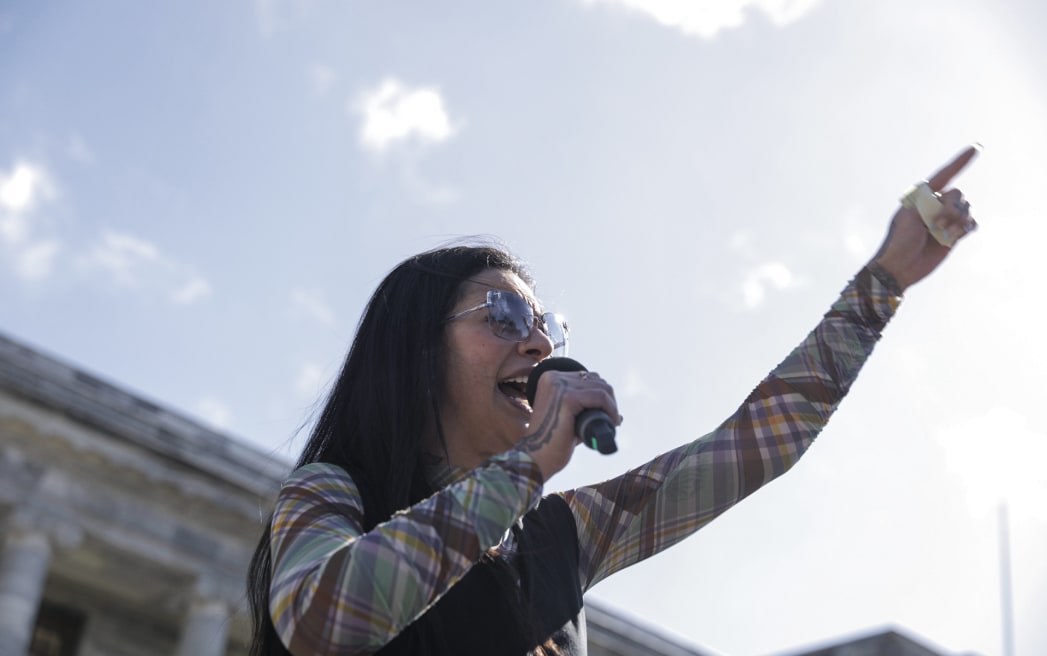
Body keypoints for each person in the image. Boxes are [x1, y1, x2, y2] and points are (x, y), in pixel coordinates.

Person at [246, 146, 980, 655]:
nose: (537, 344)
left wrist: (881, 283)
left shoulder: (565, 537)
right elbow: (322, 620)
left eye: (545, 326)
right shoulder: (332, 494)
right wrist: (530, 463)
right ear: (414, 350)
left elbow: (758, 444)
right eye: (504, 317)